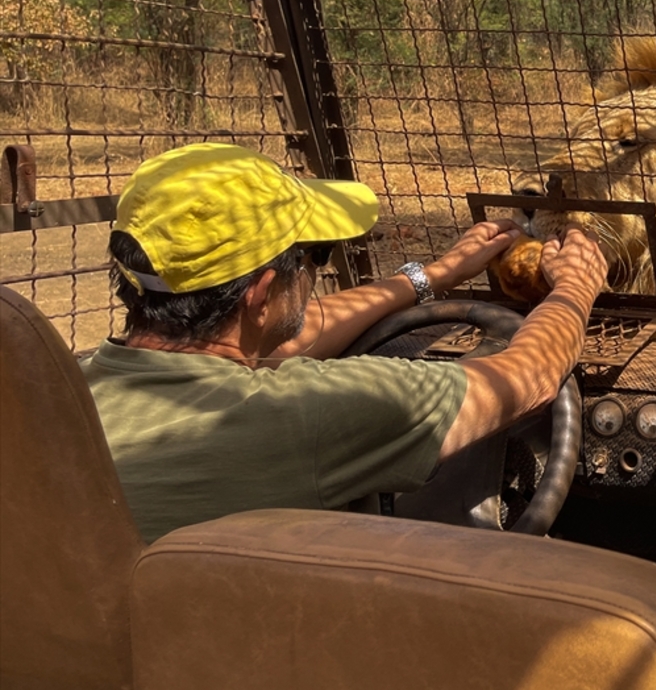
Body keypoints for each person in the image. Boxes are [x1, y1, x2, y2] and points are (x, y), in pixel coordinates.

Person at [84, 142, 608, 543]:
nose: (317, 270)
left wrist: (431, 276)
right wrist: (575, 287)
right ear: (262, 294)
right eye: (317, 254)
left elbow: (281, 339)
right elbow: (524, 377)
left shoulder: (71, 387)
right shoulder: (311, 413)